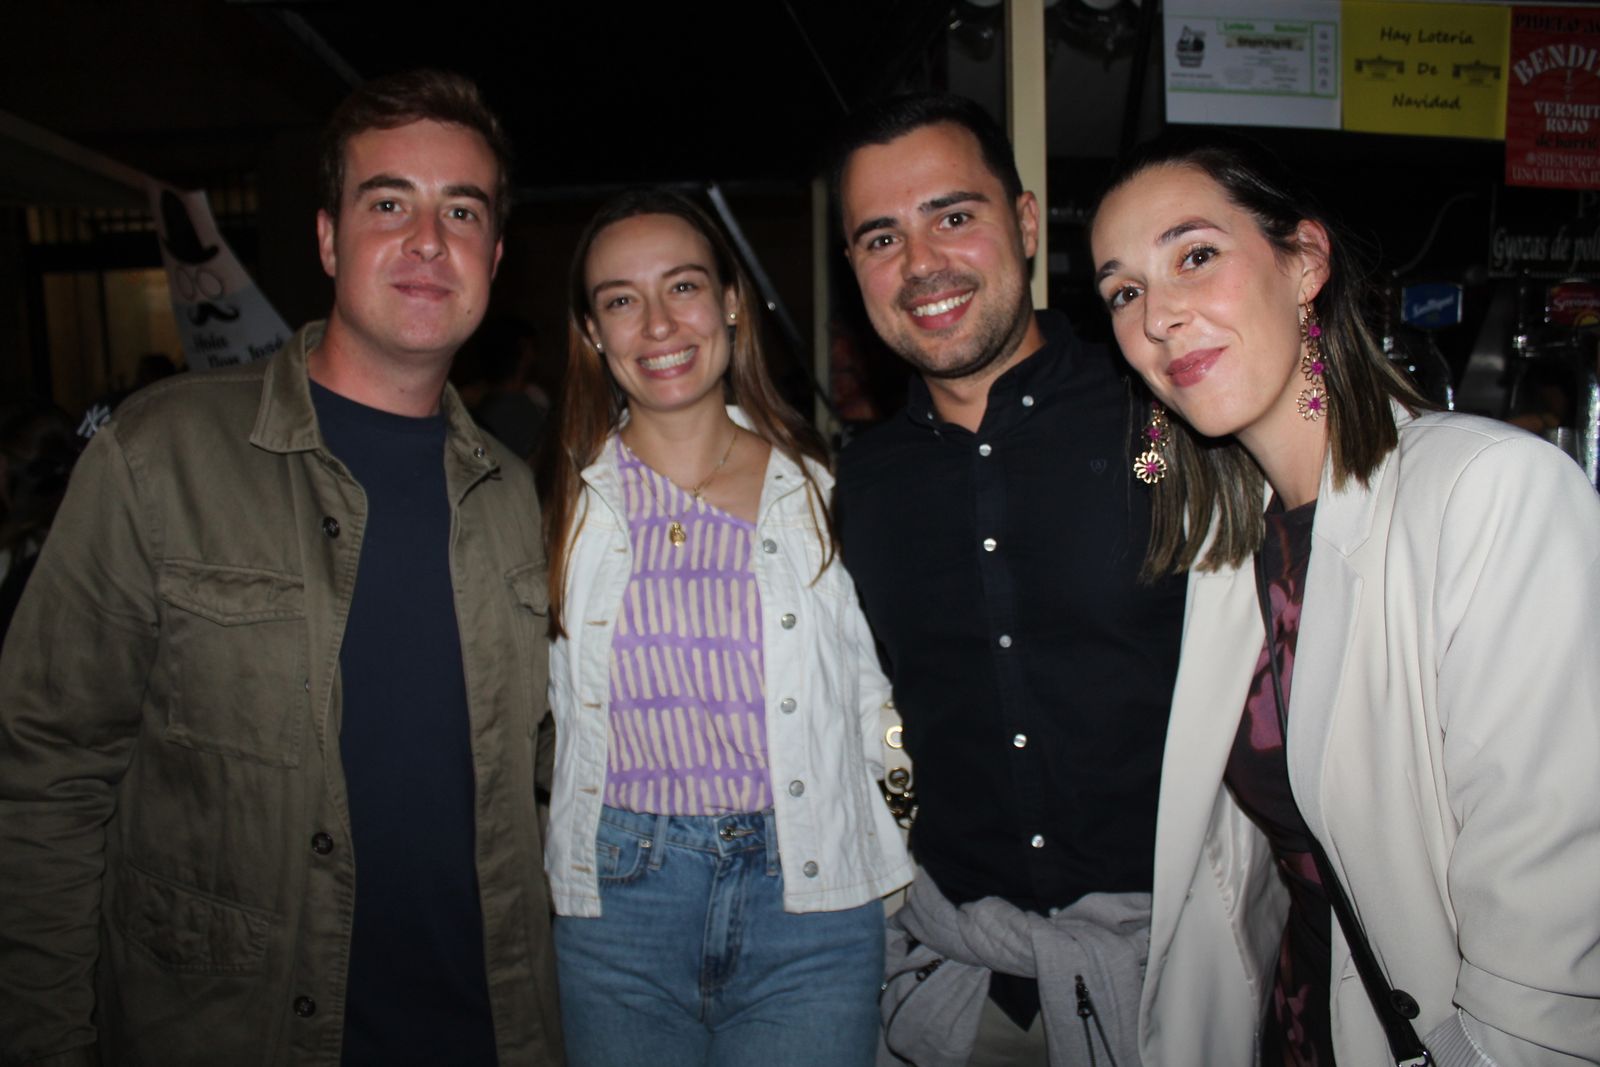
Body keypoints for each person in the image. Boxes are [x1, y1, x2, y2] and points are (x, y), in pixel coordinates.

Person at [0, 70, 564, 1065]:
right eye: (388, 202)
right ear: (327, 238)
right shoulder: (160, 453)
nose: (427, 240)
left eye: (460, 211)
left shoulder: (518, 496)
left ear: (495, 253)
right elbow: (47, 772)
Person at [1090, 137, 1600, 1065]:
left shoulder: (1488, 492)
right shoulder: (1227, 547)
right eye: (1123, 292)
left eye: (1194, 255)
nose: (1159, 314)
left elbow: (1548, 959)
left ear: (1305, 264)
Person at [828, 93, 1187, 1066]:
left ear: (1024, 224)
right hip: (969, 997)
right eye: (878, 237)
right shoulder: (856, 490)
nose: (919, 263)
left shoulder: (1157, 431)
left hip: (1186, 983)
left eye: (952, 215)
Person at [542, 187, 913, 1067]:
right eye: (621, 301)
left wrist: (899, 827)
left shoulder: (823, 491)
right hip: (622, 904)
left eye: (684, 287)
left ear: (731, 302)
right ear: (593, 332)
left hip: (812, 898)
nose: (659, 325)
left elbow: (874, 697)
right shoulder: (558, 506)